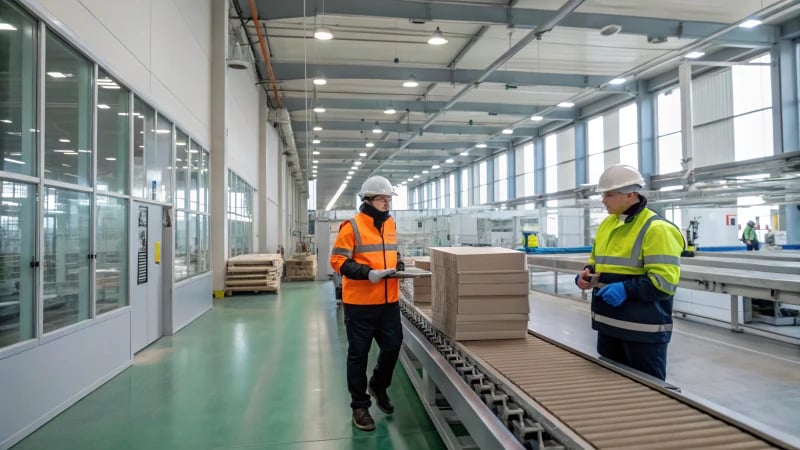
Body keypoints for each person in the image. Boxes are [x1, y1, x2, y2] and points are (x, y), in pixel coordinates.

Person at [575, 165, 684, 381]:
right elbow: (596, 264)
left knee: (646, 391)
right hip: (608, 325)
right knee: (612, 387)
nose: (603, 200)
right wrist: (586, 276)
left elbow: (664, 281)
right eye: (603, 194)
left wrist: (626, 289)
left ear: (631, 195)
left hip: (642, 332)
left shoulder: (657, 229)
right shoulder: (607, 224)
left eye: (609, 194)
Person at [330, 175, 402, 431]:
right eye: (382, 198)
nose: (387, 203)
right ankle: (360, 406)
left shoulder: (391, 223)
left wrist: (399, 264)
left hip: (389, 301)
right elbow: (338, 261)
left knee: (393, 346)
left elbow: (392, 252)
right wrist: (367, 273)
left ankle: (379, 385)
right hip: (360, 304)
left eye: (389, 198)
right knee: (358, 354)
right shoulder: (352, 226)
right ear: (368, 200)